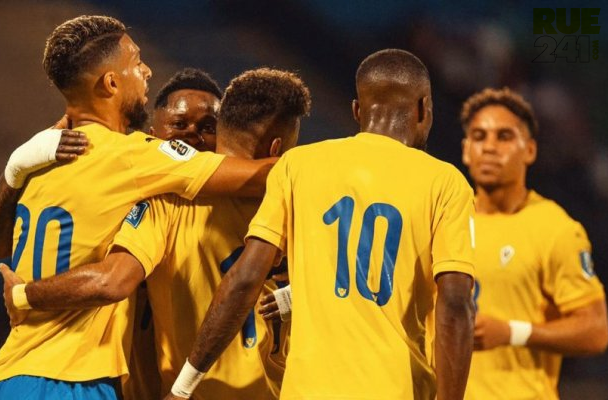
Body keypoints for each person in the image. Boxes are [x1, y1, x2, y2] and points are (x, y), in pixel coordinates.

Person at [0, 15, 275, 399]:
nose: (147, 70)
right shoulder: (134, 156)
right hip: (70, 380)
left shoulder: (41, 158)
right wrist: (332, 161)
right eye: (136, 62)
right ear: (111, 83)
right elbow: (259, 176)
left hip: (4, 377)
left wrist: (12, 170)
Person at [167, 49, 476, 400]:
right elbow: (455, 305)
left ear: (357, 110)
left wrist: (183, 387)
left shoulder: (298, 165)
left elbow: (245, 279)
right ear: (424, 109)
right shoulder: (446, 183)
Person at [460, 87, 608, 400]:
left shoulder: (554, 229)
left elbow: (596, 330)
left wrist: (512, 333)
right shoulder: (446, 219)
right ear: (465, 150)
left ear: (529, 150)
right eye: (479, 136)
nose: (489, 147)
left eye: (504, 137)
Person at [123, 67, 224, 400]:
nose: (192, 134)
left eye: (208, 127)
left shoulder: (247, 212)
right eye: (179, 125)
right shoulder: (125, 196)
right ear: (153, 135)